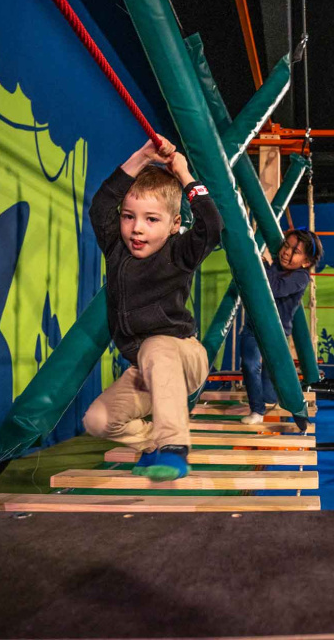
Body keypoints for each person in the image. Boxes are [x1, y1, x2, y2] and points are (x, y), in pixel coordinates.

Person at [82, 137, 223, 481]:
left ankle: (174, 447)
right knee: (97, 419)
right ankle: (151, 447)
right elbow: (101, 206)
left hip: (184, 357)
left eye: (151, 219)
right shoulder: (117, 250)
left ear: (175, 224)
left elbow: (213, 228)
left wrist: (184, 173)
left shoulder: (178, 252)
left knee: (155, 346)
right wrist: (142, 157)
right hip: (147, 372)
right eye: (129, 217)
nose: (137, 228)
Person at [238, 229, 323, 425]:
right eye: (286, 245)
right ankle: (257, 410)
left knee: (270, 383)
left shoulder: (301, 277)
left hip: (276, 333)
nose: (286, 252)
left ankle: (268, 401)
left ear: (306, 262)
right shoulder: (274, 265)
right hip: (254, 326)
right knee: (250, 365)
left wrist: (263, 265)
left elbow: (274, 288)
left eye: (295, 251)